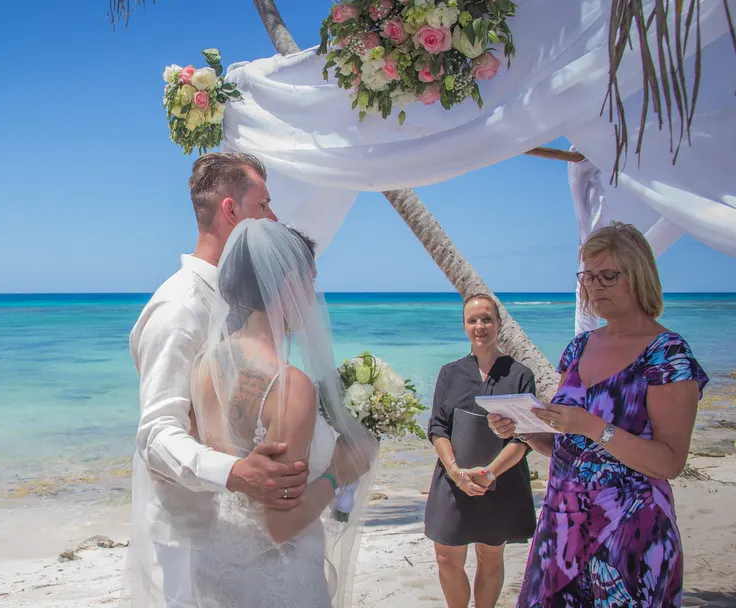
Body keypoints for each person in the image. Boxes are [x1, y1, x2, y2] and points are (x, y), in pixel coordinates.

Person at [123, 152, 309, 608]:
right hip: (187, 536)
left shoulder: (235, 303)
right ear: (231, 211)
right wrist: (236, 472)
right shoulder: (180, 306)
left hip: (237, 531)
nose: (274, 217)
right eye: (264, 204)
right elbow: (156, 434)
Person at [489, 222, 709, 607]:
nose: (595, 286)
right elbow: (566, 446)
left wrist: (593, 426)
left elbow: (670, 462)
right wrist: (522, 430)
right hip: (561, 526)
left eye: (608, 275)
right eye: (588, 276)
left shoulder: (667, 353)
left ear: (639, 277)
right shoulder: (578, 348)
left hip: (629, 531)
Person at [187, 218, 378, 607]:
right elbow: (281, 524)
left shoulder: (205, 364)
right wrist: (339, 470)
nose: (312, 294)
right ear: (288, 283)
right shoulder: (289, 386)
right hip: (277, 578)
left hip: (215, 563)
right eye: (310, 280)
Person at [424, 293, 538, 608]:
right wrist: (455, 472)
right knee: (446, 555)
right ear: (464, 326)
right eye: (472, 320)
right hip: (453, 477)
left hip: (500, 479)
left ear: (499, 323)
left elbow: (524, 438)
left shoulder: (520, 375)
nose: (480, 326)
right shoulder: (450, 372)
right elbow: (437, 428)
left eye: (487, 318)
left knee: (490, 553)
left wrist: (489, 473)